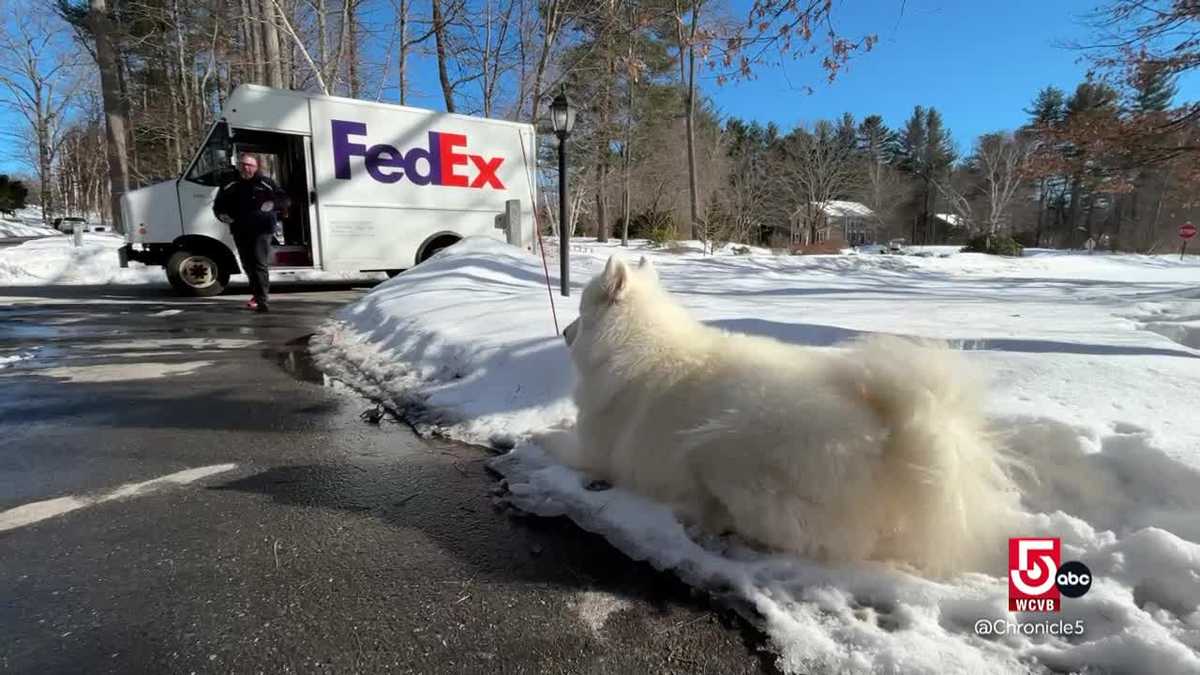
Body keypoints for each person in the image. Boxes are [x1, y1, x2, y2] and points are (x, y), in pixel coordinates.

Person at [213, 153, 289, 312]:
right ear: (239, 166)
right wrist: (222, 215)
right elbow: (218, 206)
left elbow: (285, 199)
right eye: (243, 164)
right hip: (240, 229)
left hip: (262, 229)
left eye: (250, 165)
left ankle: (262, 300)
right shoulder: (229, 184)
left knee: (259, 263)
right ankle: (257, 293)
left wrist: (273, 204)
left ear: (256, 167)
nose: (246, 168)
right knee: (247, 264)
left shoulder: (266, 183)